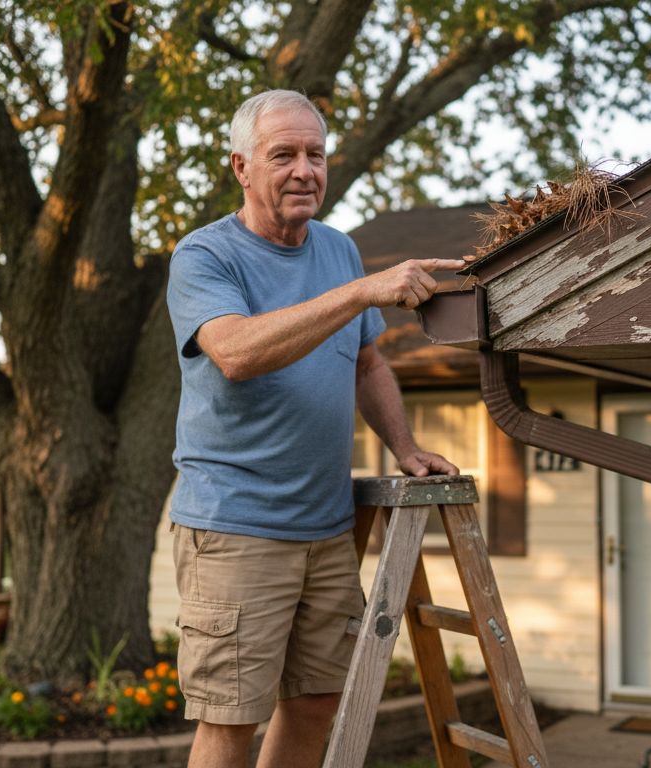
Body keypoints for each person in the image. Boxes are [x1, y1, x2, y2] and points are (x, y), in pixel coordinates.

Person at [165, 89, 461, 768]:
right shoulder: (205, 256)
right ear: (241, 167)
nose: (305, 169)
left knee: (317, 702)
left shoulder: (337, 249)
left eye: (316, 154)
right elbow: (236, 352)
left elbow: (365, 362)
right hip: (235, 525)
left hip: (326, 528)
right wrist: (360, 292)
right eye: (284, 155)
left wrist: (405, 446)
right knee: (230, 718)